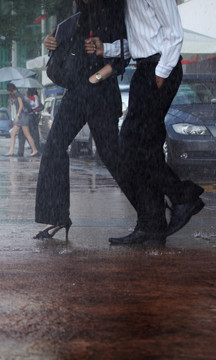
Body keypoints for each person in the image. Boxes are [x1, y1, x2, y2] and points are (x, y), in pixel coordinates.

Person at [87, 0, 204, 245]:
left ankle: (182, 196)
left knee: (131, 144)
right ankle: (152, 223)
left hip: (159, 68)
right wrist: (105, 49)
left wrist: (160, 74)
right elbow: (140, 41)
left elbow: (174, 33)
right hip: (144, 68)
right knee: (146, 148)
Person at [34, 0, 128, 240]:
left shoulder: (114, 15)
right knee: (53, 147)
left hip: (102, 95)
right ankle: (56, 217)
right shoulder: (70, 22)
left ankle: (151, 214)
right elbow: (58, 60)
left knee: (112, 156)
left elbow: (122, 58)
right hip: (75, 95)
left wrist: (94, 79)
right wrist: (50, 44)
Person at [4, 83, 39, 157]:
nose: (9, 92)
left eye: (9, 91)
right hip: (22, 117)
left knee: (27, 134)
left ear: (11, 90)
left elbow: (21, 106)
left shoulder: (18, 95)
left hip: (23, 116)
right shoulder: (18, 95)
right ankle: (11, 151)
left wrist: (17, 115)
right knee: (13, 133)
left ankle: (35, 150)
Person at [17, 88, 42, 157]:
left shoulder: (30, 98)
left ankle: (21, 151)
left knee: (24, 135)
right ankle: (36, 150)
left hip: (29, 117)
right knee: (33, 135)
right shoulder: (34, 97)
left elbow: (33, 106)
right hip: (34, 118)